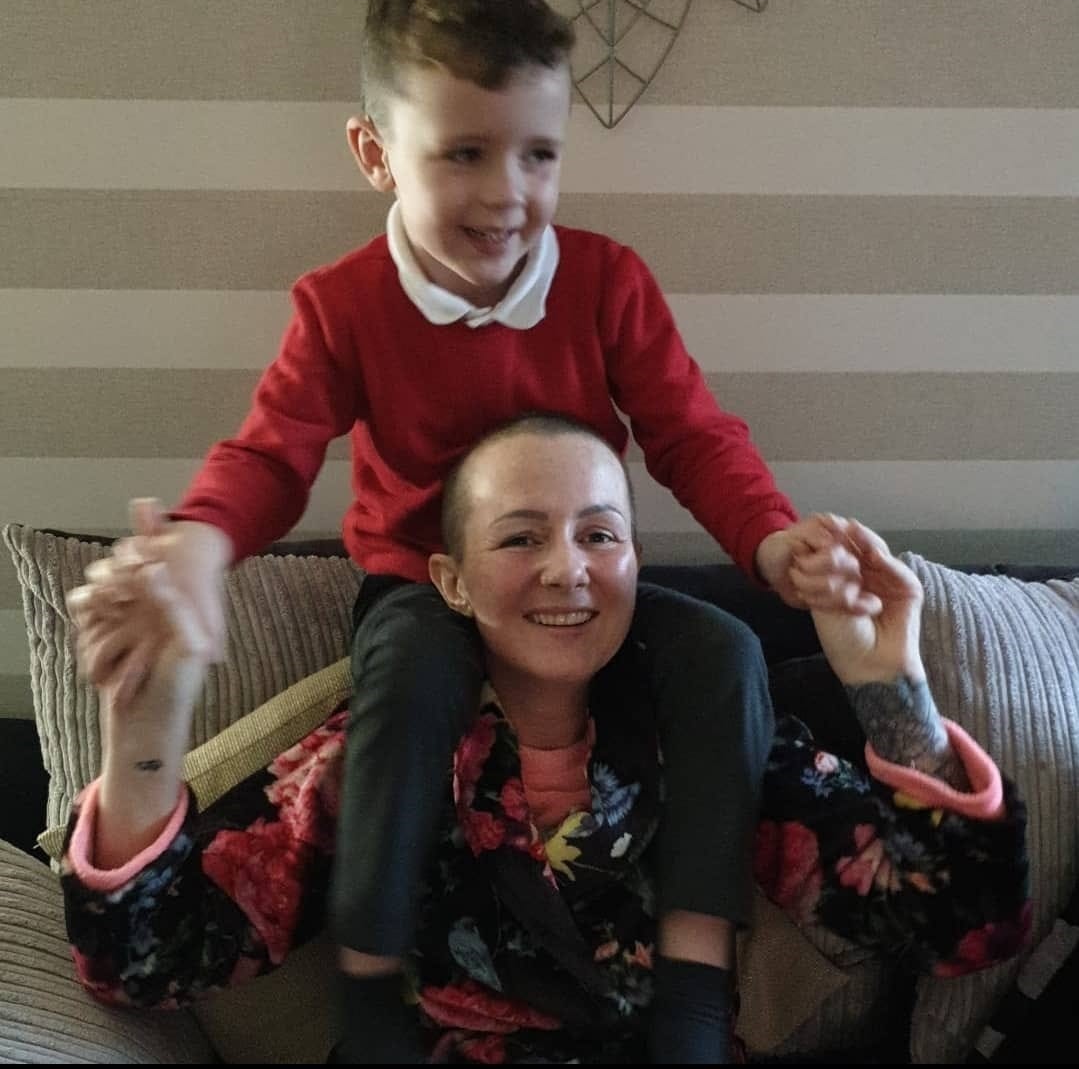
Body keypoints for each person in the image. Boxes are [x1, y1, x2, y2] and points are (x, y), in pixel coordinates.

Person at [80, 0, 899, 1061]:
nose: (506, 193)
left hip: (582, 583)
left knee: (728, 645)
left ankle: (694, 992)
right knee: (414, 677)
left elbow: (690, 431)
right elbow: (271, 455)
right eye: (463, 153)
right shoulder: (342, 304)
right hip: (419, 590)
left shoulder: (605, 282)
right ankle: (371, 990)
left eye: (538, 155)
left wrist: (767, 538)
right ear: (375, 152)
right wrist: (199, 534)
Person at [65, 416, 1030, 1065]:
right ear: (448, 580)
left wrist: (887, 684)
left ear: (636, 565)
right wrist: (143, 724)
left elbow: (965, 930)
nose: (568, 569)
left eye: (600, 536)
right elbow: (147, 962)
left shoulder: (712, 737)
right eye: (521, 538)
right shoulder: (379, 758)